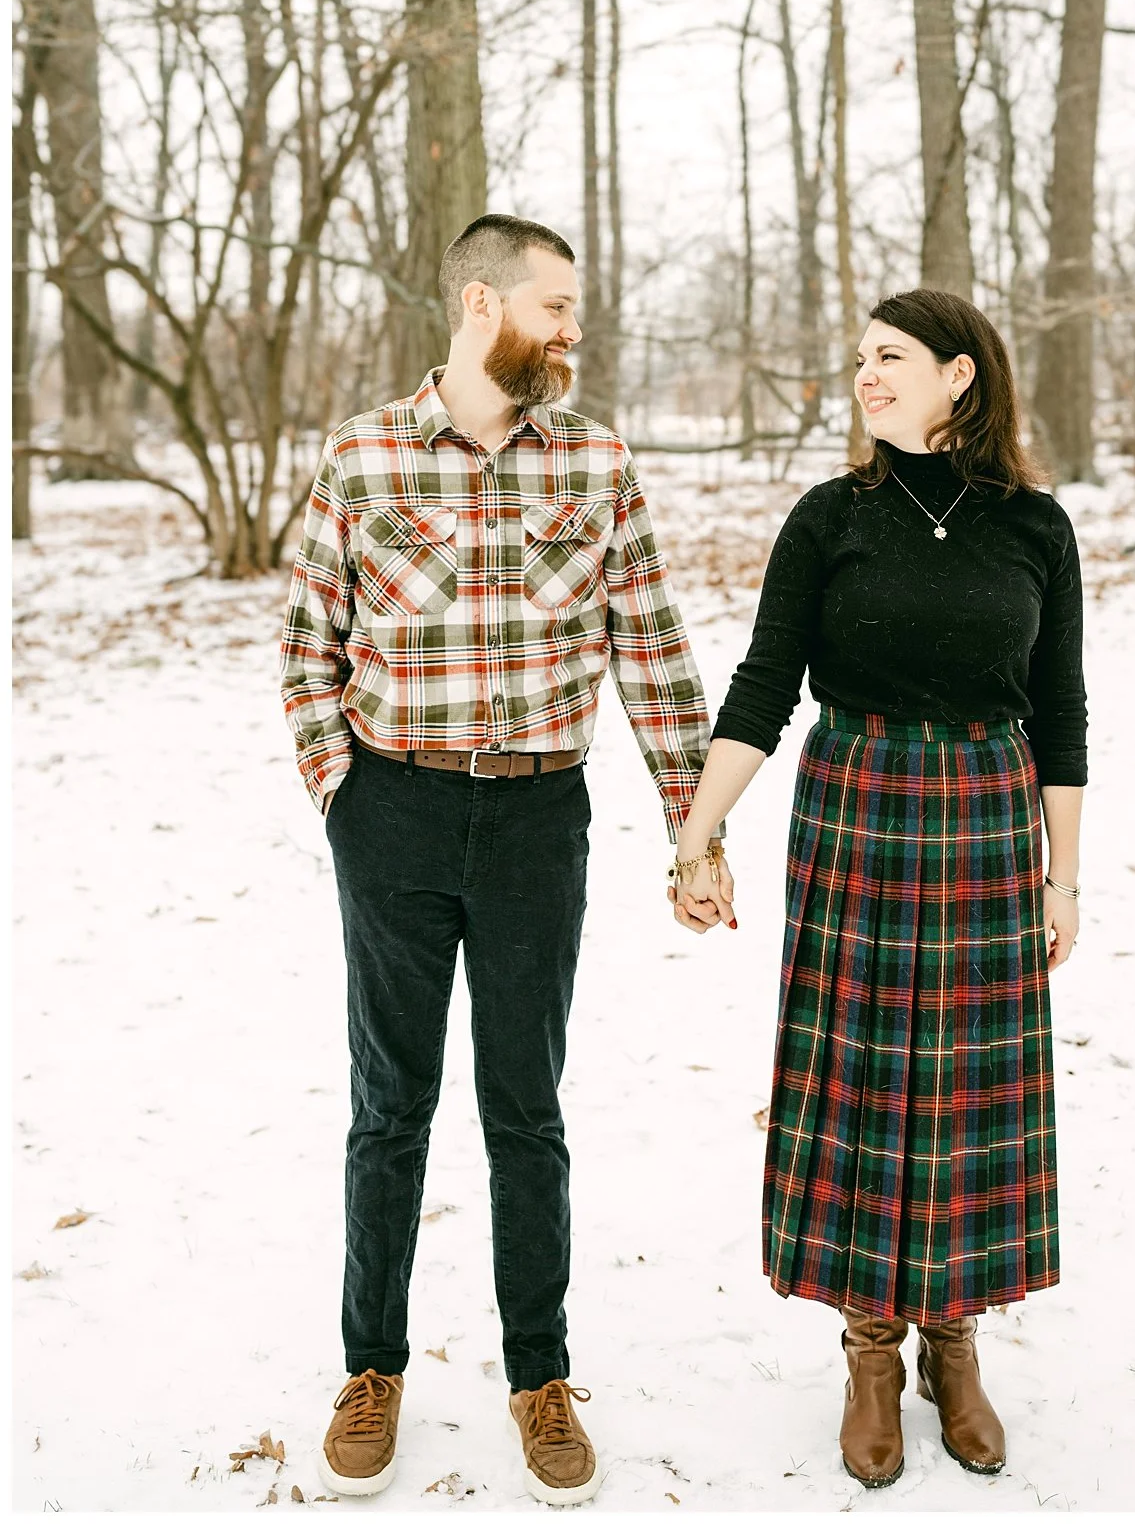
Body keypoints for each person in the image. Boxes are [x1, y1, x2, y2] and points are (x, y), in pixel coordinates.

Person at [279, 213, 728, 1504]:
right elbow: (307, 646)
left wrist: (693, 826)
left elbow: (651, 647)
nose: (573, 330)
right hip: (395, 816)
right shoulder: (363, 455)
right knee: (389, 1106)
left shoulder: (594, 461)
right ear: (482, 305)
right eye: (555, 306)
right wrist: (344, 800)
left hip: (538, 821)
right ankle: (372, 1369)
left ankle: (540, 1375)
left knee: (526, 1110)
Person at [667, 287, 1085, 1489]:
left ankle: (951, 1339)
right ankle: (866, 1347)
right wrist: (694, 832)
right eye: (858, 356)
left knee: (962, 1088)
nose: (864, 373)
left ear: (960, 373)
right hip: (854, 806)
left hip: (986, 817)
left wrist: (1063, 874)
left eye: (889, 355)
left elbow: (1059, 710)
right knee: (856, 1081)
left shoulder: (1034, 525)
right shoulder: (829, 516)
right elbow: (762, 685)